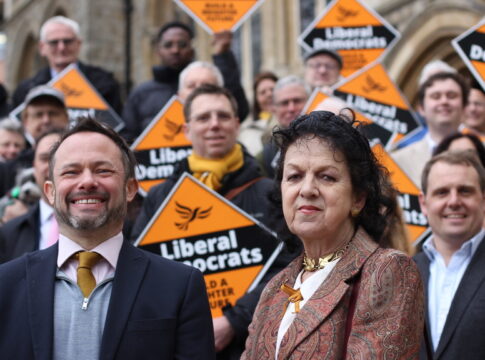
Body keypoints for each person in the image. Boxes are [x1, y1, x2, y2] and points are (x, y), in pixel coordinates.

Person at [0, 117, 215, 359]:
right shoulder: (5, 285)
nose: (88, 182)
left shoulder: (180, 286)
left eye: (103, 170)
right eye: (71, 172)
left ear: (130, 188)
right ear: (50, 192)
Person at [242, 111, 424, 359]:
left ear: (358, 198)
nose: (307, 189)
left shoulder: (386, 270)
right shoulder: (275, 288)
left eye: (326, 177)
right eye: (294, 176)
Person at [130, 84, 274, 359]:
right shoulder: (161, 196)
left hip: (252, 343)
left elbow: (290, 268)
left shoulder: (270, 193)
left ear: (236, 123)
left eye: (222, 116)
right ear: (186, 130)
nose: (214, 125)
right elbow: (140, 268)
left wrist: (234, 321)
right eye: (203, 118)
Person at [122, 21, 249, 141]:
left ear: (192, 50)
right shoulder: (141, 94)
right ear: (158, 50)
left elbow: (238, 110)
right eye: (168, 45)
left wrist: (223, 55)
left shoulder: (208, 77)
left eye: (182, 45)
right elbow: (128, 138)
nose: (175, 50)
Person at [415, 150, 485, 359]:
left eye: (465, 191)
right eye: (442, 192)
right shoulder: (405, 271)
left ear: (483, 199)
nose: (454, 201)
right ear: (424, 203)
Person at [12, 16, 121, 114]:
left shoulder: (104, 82)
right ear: (42, 48)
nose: (61, 48)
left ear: (78, 44)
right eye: (54, 42)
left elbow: (117, 128)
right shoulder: (25, 90)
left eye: (67, 41)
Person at [392, 72, 469, 187]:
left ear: (464, 107)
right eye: (436, 96)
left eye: (451, 95)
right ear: (421, 108)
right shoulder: (397, 161)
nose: (444, 101)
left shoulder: (481, 152)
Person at [0, 129, 63, 263]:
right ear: (34, 166)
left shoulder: (98, 223)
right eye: (44, 158)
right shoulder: (9, 231)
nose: (51, 166)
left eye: (59, 158)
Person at [259, 75, 310, 178]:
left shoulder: (331, 141)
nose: (291, 108)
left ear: (310, 101)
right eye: (284, 103)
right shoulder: (265, 156)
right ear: (274, 108)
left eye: (297, 101)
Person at [238, 72, 278, 156]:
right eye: (263, 92)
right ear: (257, 100)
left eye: (273, 89)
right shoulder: (247, 132)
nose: (269, 94)